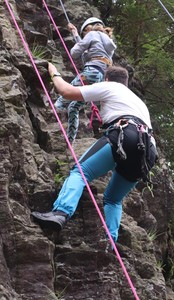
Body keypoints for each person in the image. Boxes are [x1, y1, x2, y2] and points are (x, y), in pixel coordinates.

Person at [31, 63, 158, 244]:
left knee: (80, 172)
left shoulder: (109, 86)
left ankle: (61, 212)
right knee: (113, 199)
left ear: (106, 79)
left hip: (124, 134)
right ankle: (111, 242)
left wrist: (54, 72)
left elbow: (66, 91)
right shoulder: (138, 101)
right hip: (147, 151)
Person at [55, 17, 117, 143]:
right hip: (101, 79)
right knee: (73, 106)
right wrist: (75, 34)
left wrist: (77, 41)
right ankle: (70, 141)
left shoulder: (93, 34)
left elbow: (75, 53)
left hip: (91, 73)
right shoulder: (107, 42)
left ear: (89, 28)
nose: (84, 35)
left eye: (84, 32)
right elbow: (88, 52)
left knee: (64, 96)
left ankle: (51, 114)